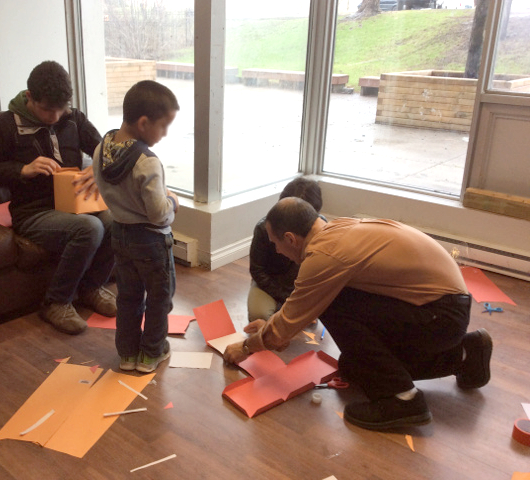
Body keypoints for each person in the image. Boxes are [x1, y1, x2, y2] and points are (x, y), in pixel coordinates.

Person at [224, 197, 493, 431]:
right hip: (442, 309)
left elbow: (293, 320)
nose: (277, 251)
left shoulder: (324, 254)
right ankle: (466, 355)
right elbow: (298, 310)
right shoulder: (336, 228)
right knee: (355, 367)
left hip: (441, 317)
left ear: (291, 239)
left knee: (333, 303)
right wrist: (275, 326)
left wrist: (248, 346)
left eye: (275, 244)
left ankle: (404, 399)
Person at [0, 60, 116, 335]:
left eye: (62, 109)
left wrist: (98, 169)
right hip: (33, 213)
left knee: (116, 219)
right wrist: (22, 169)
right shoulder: (4, 126)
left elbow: (105, 150)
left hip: (74, 204)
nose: (56, 116)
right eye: (48, 109)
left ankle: (92, 287)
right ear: (29, 97)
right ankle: (55, 302)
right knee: (90, 228)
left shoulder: (74, 118)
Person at [93, 80, 179, 373]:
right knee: (159, 297)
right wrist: (172, 203)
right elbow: (158, 214)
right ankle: (152, 353)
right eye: (163, 126)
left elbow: (107, 193)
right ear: (143, 123)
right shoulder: (147, 162)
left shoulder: (101, 150)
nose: (165, 133)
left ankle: (128, 354)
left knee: (128, 297)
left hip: (120, 233)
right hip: (151, 242)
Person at [247, 176, 325, 322]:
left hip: (302, 287)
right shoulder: (264, 229)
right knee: (259, 316)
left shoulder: (322, 228)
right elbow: (257, 270)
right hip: (271, 284)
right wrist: (286, 297)